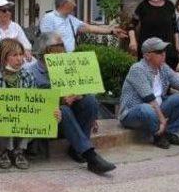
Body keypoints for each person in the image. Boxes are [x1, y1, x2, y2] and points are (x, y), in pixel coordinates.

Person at [29, 32, 116, 174]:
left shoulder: (69, 65)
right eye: (58, 46)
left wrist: (78, 94)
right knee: (64, 110)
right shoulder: (32, 72)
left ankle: (77, 149)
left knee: (90, 101)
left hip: (70, 120)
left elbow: (87, 89)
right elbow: (35, 104)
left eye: (62, 45)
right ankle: (90, 157)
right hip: (49, 121)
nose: (62, 49)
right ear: (46, 50)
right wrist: (60, 100)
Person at [119, 38, 179, 149]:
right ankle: (158, 135)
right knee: (146, 108)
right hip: (133, 113)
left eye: (164, 51)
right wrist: (162, 121)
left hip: (156, 109)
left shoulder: (163, 68)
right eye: (159, 52)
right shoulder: (137, 69)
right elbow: (149, 99)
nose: (163, 55)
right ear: (147, 56)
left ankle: (172, 133)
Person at [0, 38, 36, 169]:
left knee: (28, 117)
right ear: (4, 58)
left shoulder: (28, 76)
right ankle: (3, 151)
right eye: (15, 55)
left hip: (22, 123)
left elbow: (35, 104)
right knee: (2, 117)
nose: (20, 59)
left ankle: (19, 151)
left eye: (21, 54)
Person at [39, 0, 127, 53]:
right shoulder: (48, 18)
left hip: (70, 61)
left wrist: (112, 31)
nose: (75, 4)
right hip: (56, 61)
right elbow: (47, 42)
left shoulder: (71, 19)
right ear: (65, 4)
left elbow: (90, 28)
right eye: (73, 2)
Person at [128, 0, 179, 70]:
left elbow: (175, 27)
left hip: (167, 51)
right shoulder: (142, 6)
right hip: (148, 52)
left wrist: (177, 46)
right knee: (148, 81)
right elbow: (131, 25)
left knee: (165, 82)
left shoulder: (170, 6)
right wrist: (133, 41)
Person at [0, 0, 32, 73]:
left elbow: (26, 45)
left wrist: (27, 51)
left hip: (17, 64)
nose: (8, 12)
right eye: (4, 10)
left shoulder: (16, 27)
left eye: (9, 10)